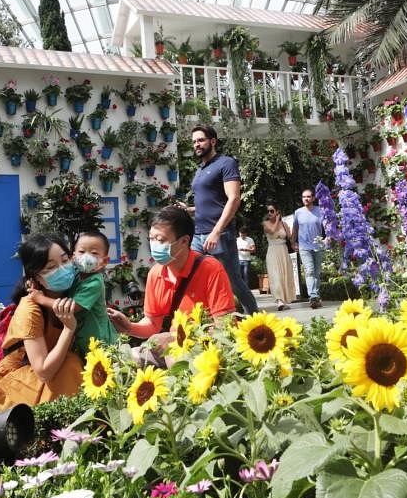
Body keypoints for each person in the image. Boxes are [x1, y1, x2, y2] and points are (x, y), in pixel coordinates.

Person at [107, 206, 235, 353]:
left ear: (184, 241)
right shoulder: (155, 274)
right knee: (131, 356)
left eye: (160, 240)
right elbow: (152, 324)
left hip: (205, 350)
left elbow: (225, 327)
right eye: (151, 239)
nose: (154, 245)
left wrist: (175, 339)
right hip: (174, 346)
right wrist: (129, 327)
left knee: (171, 357)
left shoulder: (211, 269)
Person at [0, 234, 84, 411]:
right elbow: (44, 371)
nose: (63, 269)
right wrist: (69, 329)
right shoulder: (30, 309)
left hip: (54, 370)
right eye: (51, 267)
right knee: (71, 365)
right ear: (36, 277)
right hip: (23, 379)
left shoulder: (74, 296)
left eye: (65, 260)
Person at [181, 125, 259, 314]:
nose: (196, 145)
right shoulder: (200, 170)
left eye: (200, 140)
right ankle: (202, 323)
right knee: (192, 277)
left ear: (212, 141)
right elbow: (211, 203)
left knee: (233, 282)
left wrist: (216, 231)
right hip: (198, 235)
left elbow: (233, 198)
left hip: (219, 234)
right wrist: (189, 210)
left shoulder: (226, 163)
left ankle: (255, 321)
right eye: (194, 142)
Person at [31, 230, 118, 357]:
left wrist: (41, 299)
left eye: (94, 253)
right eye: (82, 252)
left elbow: (71, 307)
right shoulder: (74, 273)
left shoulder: (94, 283)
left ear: (104, 261)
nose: (86, 256)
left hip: (103, 346)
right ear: (73, 256)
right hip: (84, 343)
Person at [292, 189, 325, 309]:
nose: (306, 199)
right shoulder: (298, 212)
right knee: (310, 270)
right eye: (303, 197)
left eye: (308, 196)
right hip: (304, 247)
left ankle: (316, 296)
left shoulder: (320, 211)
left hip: (318, 245)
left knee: (317, 272)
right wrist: (293, 242)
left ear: (313, 198)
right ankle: (313, 296)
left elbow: (327, 226)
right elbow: (295, 229)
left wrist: (329, 238)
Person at [262, 204, 296, 311]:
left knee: (284, 275)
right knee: (275, 276)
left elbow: (290, 237)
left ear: (277, 211)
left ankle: (284, 301)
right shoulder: (265, 224)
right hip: (273, 251)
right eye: (268, 211)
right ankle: (279, 301)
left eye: (272, 211)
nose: (270, 213)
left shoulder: (284, 224)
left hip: (283, 250)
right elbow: (272, 231)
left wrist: (293, 232)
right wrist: (277, 219)